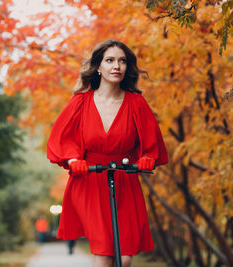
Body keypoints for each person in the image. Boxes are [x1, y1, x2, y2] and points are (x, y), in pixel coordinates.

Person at [47, 39, 168, 267]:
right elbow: (61, 139)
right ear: (98, 67)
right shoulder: (80, 102)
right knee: (104, 255)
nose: (117, 66)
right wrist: (74, 160)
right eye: (110, 60)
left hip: (125, 180)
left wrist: (147, 158)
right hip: (90, 179)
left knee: (125, 258)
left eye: (122, 61)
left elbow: (153, 144)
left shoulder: (136, 103)